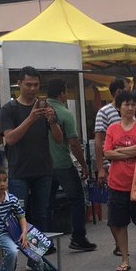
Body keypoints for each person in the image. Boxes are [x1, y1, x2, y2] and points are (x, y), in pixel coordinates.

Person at [1, 67, 61, 234]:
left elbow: (59, 139)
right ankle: (19, 247)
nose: (33, 89)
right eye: (28, 85)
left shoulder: (46, 107)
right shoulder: (9, 109)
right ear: (19, 83)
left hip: (43, 170)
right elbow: (10, 139)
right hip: (19, 170)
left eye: (36, 85)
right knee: (19, 215)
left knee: (42, 215)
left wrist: (52, 121)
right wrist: (31, 118)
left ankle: (39, 250)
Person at [103, 91, 136, 271]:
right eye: (126, 104)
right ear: (119, 107)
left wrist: (119, 150)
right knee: (120, 223)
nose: (130, 108)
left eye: (133, 104)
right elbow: (107, 153)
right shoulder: (112, 129)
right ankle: (125, 259)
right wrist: (133, 149)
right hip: (117, 183)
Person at [47, 78, 97, 251]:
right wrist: (84, 165)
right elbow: (74, 144)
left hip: (43, 166)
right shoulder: (64, 113)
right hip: (62, 163)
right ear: (62, 93)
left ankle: (45, 243)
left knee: (45, 204)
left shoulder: (38, 111)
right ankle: (78, 237)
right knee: (77, 199)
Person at [94, 77, 128, 187]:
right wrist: (101, 169)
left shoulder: (129, 111)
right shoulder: (104, 112)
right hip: (111, 165)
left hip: (129, 165)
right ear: (119, 92)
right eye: (127, 91)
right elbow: (98, 141)